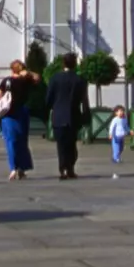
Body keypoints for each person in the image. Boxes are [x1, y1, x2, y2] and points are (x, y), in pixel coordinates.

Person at [46, 51, 88, 179]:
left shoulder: (55, 78)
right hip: (74, 116)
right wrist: (86, 116)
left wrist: (50, 109)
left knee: (61, 145)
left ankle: (63, 168)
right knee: (71, 143)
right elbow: (84, 100)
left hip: (58, 116)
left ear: (63, 63)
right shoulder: (80, 80)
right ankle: (70, 167)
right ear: (75, 64)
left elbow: (48, 98)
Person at [0, 60, 39, 180]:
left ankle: (13, 168)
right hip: (22, 112)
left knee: (11, 141)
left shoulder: (6, 81)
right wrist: (28, 73)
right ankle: (22, 168)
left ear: (12, 69)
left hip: (8, 113)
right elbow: (37, 78)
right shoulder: (26, 81)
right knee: (22, 141)